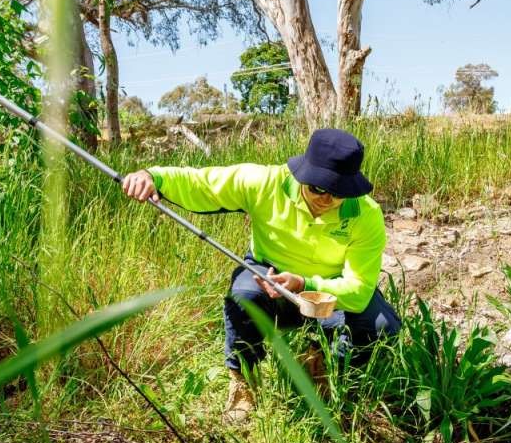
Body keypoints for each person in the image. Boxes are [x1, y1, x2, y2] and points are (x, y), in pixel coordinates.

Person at [121, 128, 401, 424]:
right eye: (318, 188)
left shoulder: (366, 215)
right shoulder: (265, 182)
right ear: (302, 174)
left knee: (383, 326)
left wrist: (305, 285)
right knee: (244, 297)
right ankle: (243, 385)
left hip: (325, 289)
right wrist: (152, 176)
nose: (326, 198)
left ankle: (325, 367)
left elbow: (357, 291)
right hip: (267, 275)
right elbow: (203, 183)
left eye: (337, 192)